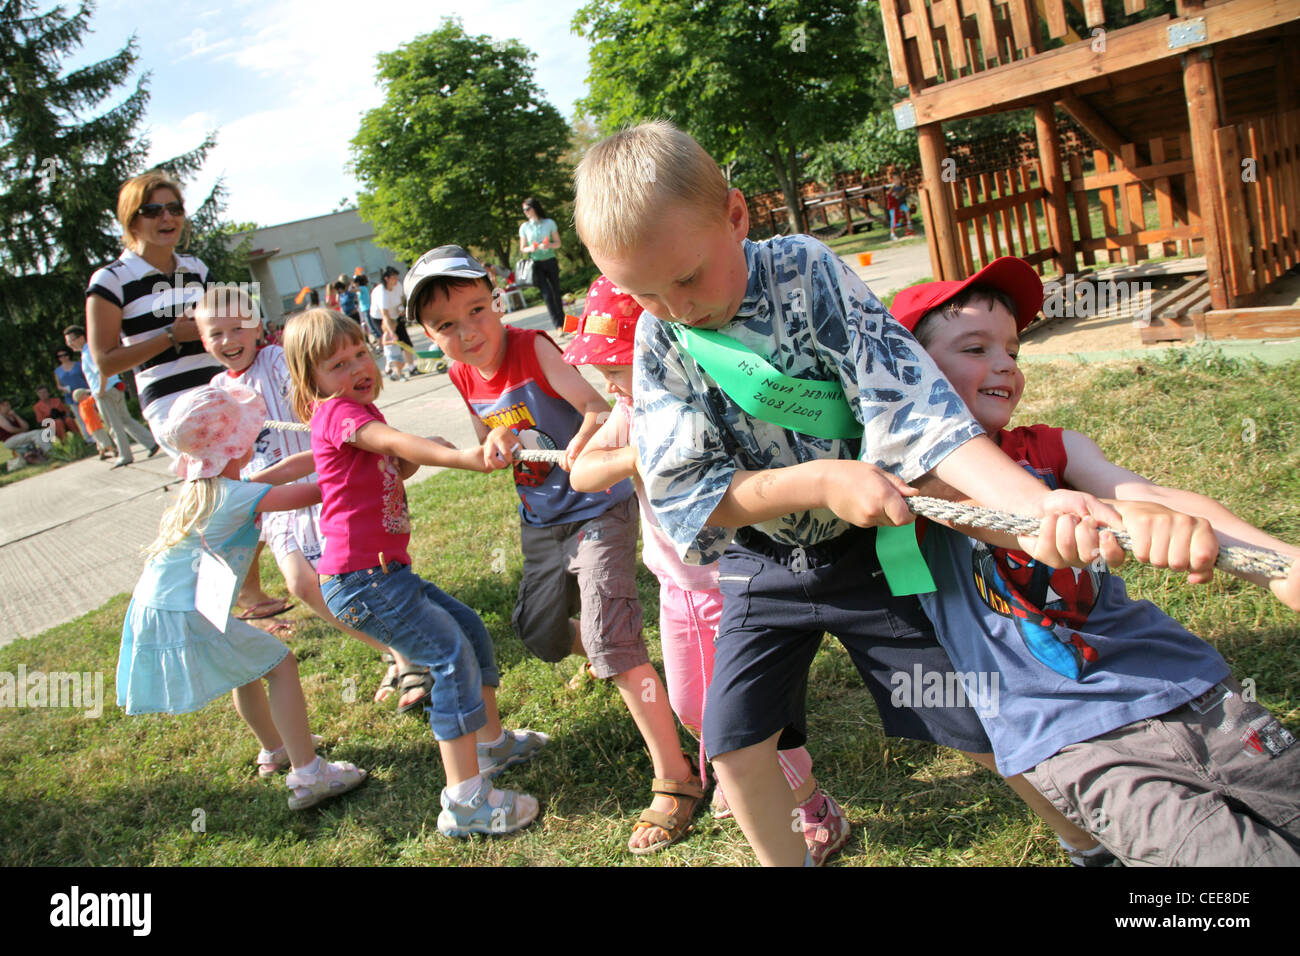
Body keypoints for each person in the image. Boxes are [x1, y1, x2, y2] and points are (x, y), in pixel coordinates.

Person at [572, 120, 1121, 867]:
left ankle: (1087, 844)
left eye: (690, 277)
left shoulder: (806, 269)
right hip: (761, 571)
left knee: (963, 713)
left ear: (736, 215)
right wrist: (821, 480)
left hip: (867, 557)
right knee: (732, 747)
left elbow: (915, 410)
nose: (677, 308)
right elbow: (689, 494)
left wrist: (1033, 506)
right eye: (645, 293)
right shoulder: (659, 338)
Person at [890, 257, 1300, 866]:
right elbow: (959, 506)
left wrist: (1280, 560)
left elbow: (1153, 497)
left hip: (1193, 692)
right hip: (1079, 739)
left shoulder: (1054, 448)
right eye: (976, 348)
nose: (1004, 363)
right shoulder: (901, 482)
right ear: (911, 371)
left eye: (1012, 349)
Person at [408, 245, 703, 854]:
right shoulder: (460, 372)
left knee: (611, 639)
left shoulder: (532, 347)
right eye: (446, 326)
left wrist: (584, 442)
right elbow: (491, 437)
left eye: (477, 310)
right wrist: (495, 446)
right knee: (540, 636)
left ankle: (677, 777)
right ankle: (610, 657)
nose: (468, 333)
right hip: (539, 520)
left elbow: (597, 407)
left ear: (496, 299)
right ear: (427, 334)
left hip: (598, 508)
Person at [567, 275, 851, 863]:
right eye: (606, 372)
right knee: (692, 704)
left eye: (619, 366)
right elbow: (581, 474)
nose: (614, 382)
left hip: (734, 581)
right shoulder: (629, 411)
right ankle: (742, 774)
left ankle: (811, 803)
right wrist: (636, 457)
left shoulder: (696, 394)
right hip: (677, 588)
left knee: (748, 713)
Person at [282, 307, 547, 837]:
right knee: (448, 660)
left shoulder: (359, 410)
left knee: (468, 630)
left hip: (386, 576)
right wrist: (466, 457)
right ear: (311, 381)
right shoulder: (338, 413)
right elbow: (396, 445)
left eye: (360, 353)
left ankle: (490, 745)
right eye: (337, 364)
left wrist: (415, 458)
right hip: (364, 581)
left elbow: (390, 462)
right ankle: (466, 802)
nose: (356, 366)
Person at [116, 383, 368, 810]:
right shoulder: (239, 496)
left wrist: (331, 446)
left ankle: (275, 749)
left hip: (168, 603)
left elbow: (286, 470)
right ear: (234, 445)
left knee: (246, 671)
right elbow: (314, 491)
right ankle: (309, 775)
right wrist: (361, 462)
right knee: (281, 665)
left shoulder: (212, 488)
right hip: (186, 609)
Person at [196, 288, 431, 711]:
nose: (229, 340)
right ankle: (392, 649)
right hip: (274, 501)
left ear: (257, 327)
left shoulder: (279, 358)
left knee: (357, 574)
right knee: (301, 584)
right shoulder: (216, 389)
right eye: (217, 333)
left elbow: (326, 379)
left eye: (238, 328)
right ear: (202, 341)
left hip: (326, 484)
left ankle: (409, 654)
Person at [85, 171, 223, 456]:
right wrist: (171, 336)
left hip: (222, 390)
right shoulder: (111, 280)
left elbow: (228, 321)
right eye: (152, 211)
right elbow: (106, 363)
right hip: (170, 405)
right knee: (225, 487)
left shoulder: (196, 268)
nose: (167, 218)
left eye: (175, 209)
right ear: (131, 220)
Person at [63, 325, 161, 466]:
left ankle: (124, 455)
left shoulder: (88, 352)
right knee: (125, 419)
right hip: (115, 386)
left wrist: (100, 391)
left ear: (81, 337)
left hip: (105, 390)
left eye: (71, 340)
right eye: (68, 342)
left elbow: (102, 370)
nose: (69, 345)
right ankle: (151, 442)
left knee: (113, 424)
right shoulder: (93, 349)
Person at [519, 197, 565, 331]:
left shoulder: (549, 223)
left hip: (550, 260)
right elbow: (523, 248)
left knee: (556, 292)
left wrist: (548, 245)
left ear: (535, 207)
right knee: (547, 295)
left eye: (527, 209)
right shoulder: (524, 227)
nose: (526, 212)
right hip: (536, 264)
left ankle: (563, 322)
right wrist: (530, 248)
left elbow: (558, 243)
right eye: (523, 210)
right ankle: (557, 325)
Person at [52, 347, 92, 439]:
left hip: (85, 394)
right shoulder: (57, 371)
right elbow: (58, 385)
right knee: (80, 418)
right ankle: (88, 438)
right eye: (60, 356)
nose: (63, 357)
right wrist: (63, 388)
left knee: (91, 415)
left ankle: (99, 434)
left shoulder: (78, 365)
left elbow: (87, 377)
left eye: (65, 354)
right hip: (71, 397)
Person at [71, 388, 115, 459]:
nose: (87, 395)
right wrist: (98, 391)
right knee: (104, 439)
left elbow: (90, 415)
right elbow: (94, 397)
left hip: (91, 428)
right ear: (81, 397)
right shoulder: (85, 403)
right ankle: (113, 451)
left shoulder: (81, 406)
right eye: (85, 394)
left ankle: (102, 454)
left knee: (99, 441)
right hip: (95, 426)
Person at [887, 169, 914, 241]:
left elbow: (904, 194)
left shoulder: (903, 187)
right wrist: (893, 195)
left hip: (901, 204)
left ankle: (909, 224)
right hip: (893, 206)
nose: (897, 181)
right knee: (893, 218)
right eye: (895, 179)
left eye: (898, 179)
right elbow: (889, 196)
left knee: (907, 209)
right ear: (892, 181)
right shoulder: (892, 188)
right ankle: (892, 234)